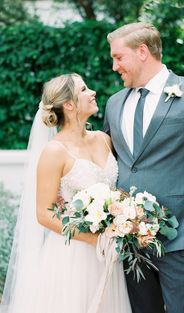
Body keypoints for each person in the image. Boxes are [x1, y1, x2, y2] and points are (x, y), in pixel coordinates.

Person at [104, 22, 184, 313]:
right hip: (129, 240)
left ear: (142, 52)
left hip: (181, 235)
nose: (114, 66)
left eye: (118, 57)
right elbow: (109, 162)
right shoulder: (113, 104)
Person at [1, 73, 132, 313]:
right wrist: (94, 239)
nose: (92, 92)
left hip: (108, 252)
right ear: (69, 105)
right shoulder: (54, 152)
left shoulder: (104, 140)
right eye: (84, 89)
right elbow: (44, 213)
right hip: (72, 255)